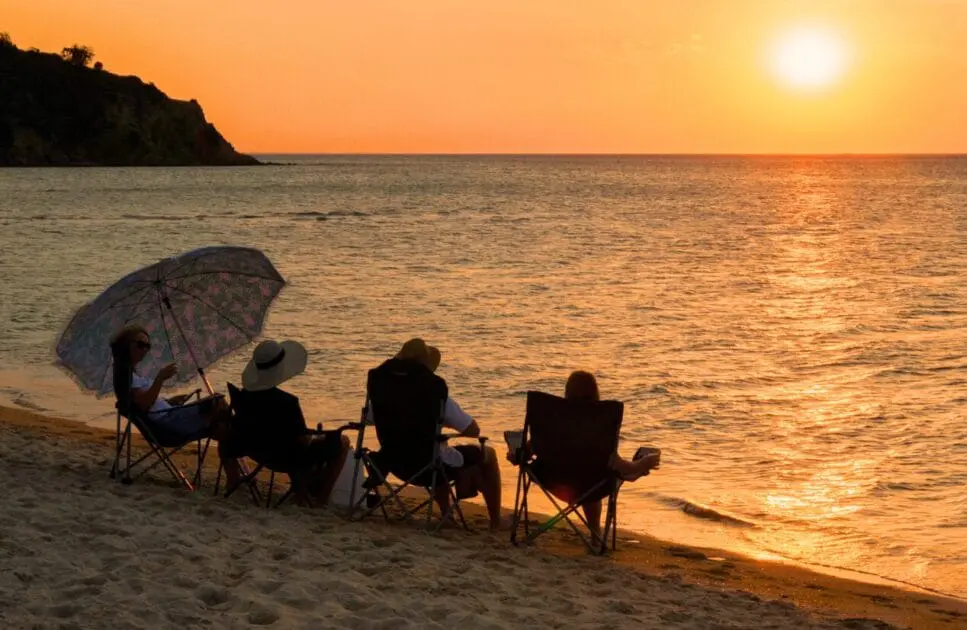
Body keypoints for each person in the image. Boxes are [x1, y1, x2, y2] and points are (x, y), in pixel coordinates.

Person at [370, 338, 503, 530]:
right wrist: (442, 420)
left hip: (393, 462)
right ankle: (496, 522)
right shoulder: (433, 390)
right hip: (427, 464)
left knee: (436, 447)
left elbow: (370, 419)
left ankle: (447, 515)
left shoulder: (383, 389)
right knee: (487, 453)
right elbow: (472, 430)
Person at [506, 370, 654, 539]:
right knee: (597, 475)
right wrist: (643, 464)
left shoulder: (552, 417)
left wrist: (515, 455)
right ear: (595, 394)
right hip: (593, 483)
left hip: (550, 477)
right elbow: (618, 465)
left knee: (590, 474)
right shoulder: (601, 421)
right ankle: (595, 533)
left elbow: (526, 452)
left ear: (567, 392)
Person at [110, 324, 242, 483]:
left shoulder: (131, 374)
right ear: (126, 346)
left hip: (170, 416)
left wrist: (169, 402)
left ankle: (234, 471)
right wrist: (160, 378)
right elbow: (144, 405)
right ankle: (240, 446)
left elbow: (148, 403)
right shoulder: (127, 377)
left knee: (221, 424)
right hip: (168, 427)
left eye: (148, 345)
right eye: (140, 344)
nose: (145, 349)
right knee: (218, 403)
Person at [238, 339, 352, 506]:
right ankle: (321, 499)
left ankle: (303, 490)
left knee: (293, 442)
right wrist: (316, 436)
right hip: (285, 457)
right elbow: (300, 439)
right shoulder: (287, 402)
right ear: (279, 369)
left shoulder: (243, 396)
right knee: (342, 441)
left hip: (255, 450)